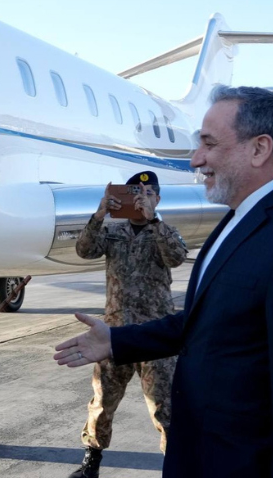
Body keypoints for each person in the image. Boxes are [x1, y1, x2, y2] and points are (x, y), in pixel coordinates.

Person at [54, 86, 273, 477]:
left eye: (209, 144)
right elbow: (205, 322)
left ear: (259, 149)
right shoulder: (238, 218)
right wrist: (117, 340)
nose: (196, 159)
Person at [67, 171, 188, 478]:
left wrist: (155, 219)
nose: (140, 198)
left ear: (157, 199)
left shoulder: (165, 231)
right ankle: (90, 463)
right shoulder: (112, 231)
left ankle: (177, 466)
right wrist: (100, 212)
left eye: (147, 193)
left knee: (167, 407)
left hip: (154, 337)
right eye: (135, 192)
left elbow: (176, 257)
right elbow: (83, 249)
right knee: (102, 402)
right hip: (115, 335)